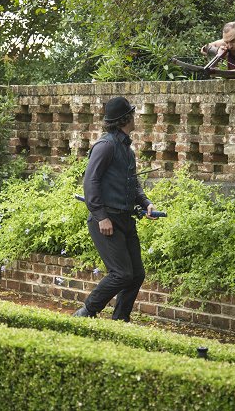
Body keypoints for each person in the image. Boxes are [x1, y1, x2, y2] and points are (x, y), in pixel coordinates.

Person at [73, 96, 158, 322]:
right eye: (132, 114)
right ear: (125, 119)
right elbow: (90, 182)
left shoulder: (127, 150)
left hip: (125, 219)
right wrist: (101, 216)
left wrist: (146, 203)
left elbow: (133, 184)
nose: (135, 117)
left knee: (136, 274)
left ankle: (120, 320)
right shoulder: (106, 146)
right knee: (121, 274)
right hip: (107, 219)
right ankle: (85, 312)